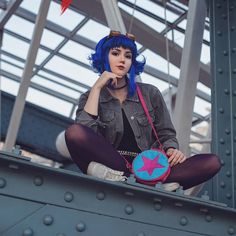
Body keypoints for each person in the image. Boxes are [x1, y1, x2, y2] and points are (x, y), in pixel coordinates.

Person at [65, 30, 221, 190]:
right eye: (116, 53)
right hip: (113, 164)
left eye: (128, 56)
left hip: (150, 166)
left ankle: (149, 181)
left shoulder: (150, 93)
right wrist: (97, 88)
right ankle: (137, 181)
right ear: (104, 57)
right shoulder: (90, 97)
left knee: (211, 162)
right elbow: (86, 132)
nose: (122, 60)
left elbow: (166, 133)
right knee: (74, 133)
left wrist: (172, 149)